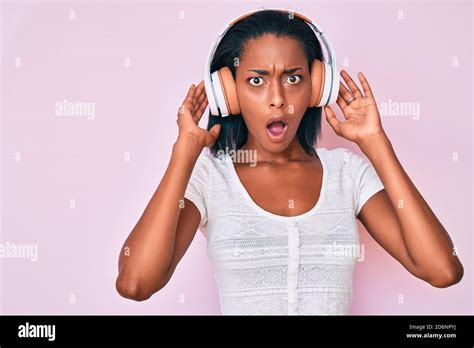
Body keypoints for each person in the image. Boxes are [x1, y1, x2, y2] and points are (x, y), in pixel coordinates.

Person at [115, 9, 463, 315]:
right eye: (256, 81)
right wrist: (183, 156)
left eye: (293, 78)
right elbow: (136, 284)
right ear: (229, 93)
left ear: (316, 88)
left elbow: (442, 270)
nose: (277, 99)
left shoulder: (347, 174)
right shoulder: (210, 178)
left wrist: (376, 144)